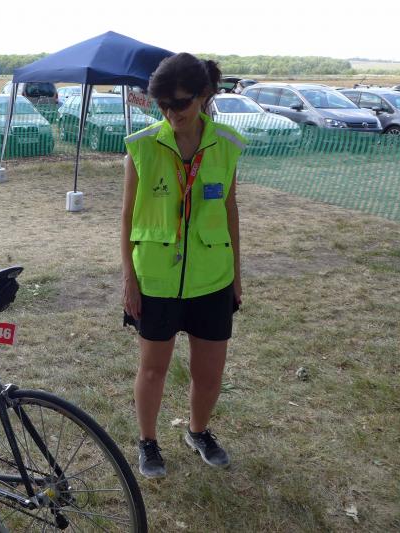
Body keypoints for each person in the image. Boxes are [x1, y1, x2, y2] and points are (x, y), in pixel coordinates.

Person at [121, 53, 246, 479]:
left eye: (181, 103)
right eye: (164, 105)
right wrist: (129, 278)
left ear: (204, 94)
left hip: (212, 277)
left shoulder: (227, 144)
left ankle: (198, 431)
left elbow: (230, 210)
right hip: (156, 278)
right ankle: (148, 441)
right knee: (153, 368)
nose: (172, 113)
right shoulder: (141, 147)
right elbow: (127, 218)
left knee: (209, 373)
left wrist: (236, 276)